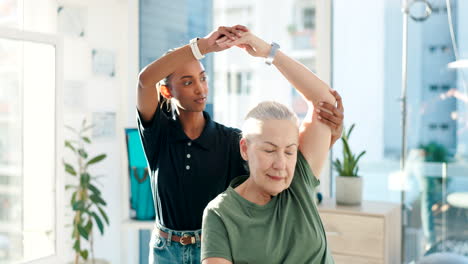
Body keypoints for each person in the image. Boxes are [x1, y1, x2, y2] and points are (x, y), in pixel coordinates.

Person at [136, 25, 344, 264]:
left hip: (216, 244)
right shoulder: (159, 135)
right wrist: (203, 46)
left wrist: (327, 136)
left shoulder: (232, 141)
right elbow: (145, 80)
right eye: (187, 82)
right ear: (167, 91)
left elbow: (280, 159)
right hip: (167, 251)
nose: (200, 88)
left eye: (203, 78)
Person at [201, 30, 336, 263]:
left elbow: (325, 100)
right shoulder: (221, 214)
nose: (281, 164)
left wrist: (269, 52)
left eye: (289, 151)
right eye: (269, 150)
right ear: (245, 148)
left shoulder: (299, 179)